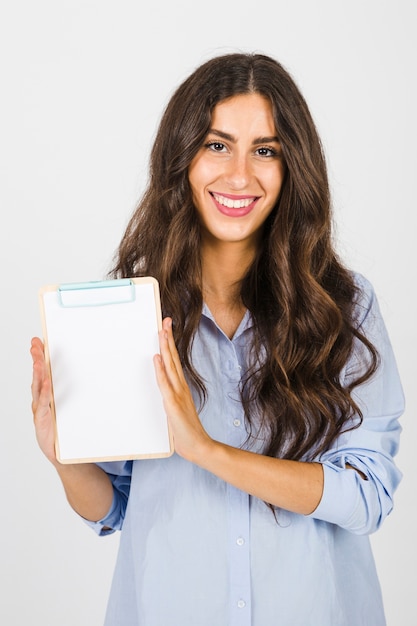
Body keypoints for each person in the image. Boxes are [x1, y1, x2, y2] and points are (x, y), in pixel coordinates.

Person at [30, 52, 404, 626]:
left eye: (265, 150)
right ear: (182, 157)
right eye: (216, 144)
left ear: (291, 167)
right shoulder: (129, 313)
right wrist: (65, 459)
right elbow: (116, 508)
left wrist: (206, 451)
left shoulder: (344, 307)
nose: (239, 175)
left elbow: (366, 495)